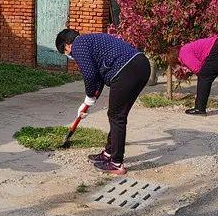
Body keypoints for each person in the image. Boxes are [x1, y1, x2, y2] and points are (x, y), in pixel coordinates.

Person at [55, 29, 150, 176]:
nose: (69, 55)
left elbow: (90, 74)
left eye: (66, 52)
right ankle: (108, 153)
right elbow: (98, 77)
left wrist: (88, 97)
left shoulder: (78, 44)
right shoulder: (89, 42)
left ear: (67, 45)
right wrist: (90, 101)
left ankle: (116, 163)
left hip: (127, 69)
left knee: (116, 116)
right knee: (118, 114)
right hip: (140, 66)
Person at [176, 34, 218, 116]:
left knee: (204, 76)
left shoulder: (182, 53)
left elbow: (199, 69)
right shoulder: (190, 47)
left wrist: (193, 73)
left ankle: (199, 109)